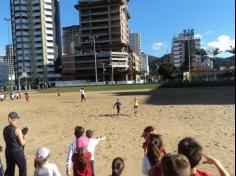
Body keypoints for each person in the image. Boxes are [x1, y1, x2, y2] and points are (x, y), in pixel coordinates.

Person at [3, 112, 27, 176]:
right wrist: (24, 137)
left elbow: (8, 139)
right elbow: (22, 143)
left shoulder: (5, 129)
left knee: (9, 170)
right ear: (15, 119)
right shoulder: (17, 130)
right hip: (17, 152)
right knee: (22, 169)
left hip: (8, 151)